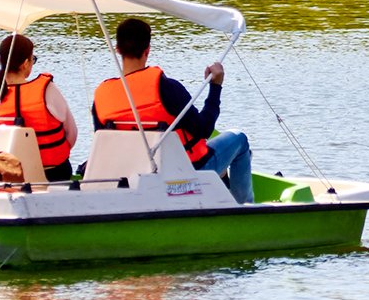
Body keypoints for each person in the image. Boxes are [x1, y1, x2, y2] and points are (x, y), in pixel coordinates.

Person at [91, 18, 254, 204]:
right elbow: (204, 129)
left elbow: (102, 142)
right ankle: (243, 207)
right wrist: (215, 87)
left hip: (133, 175)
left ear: (117, 50)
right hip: (183, 176)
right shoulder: (166, 88)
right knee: (239, 139)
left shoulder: (102, 96)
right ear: (147, 50)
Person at [0, 34, 78, 181]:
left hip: (9, 175)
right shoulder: (47, 90)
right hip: (54, 173)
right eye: (33, 59)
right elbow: (72, 133)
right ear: (25, 63)